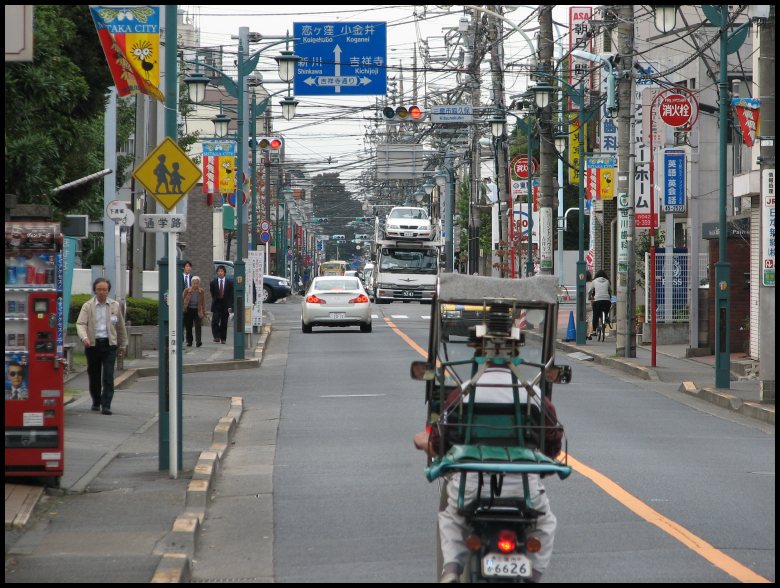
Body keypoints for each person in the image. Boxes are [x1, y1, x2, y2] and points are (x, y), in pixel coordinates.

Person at [414, 363, 558, 583]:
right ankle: (533, 576)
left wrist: (423, 441)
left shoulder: (461, 393)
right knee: (545, 523)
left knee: (451, 518)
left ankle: (451, 570)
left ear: (482, 357)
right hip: (523, 490)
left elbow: (440, 444)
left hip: (471, 487)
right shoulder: (535, 395)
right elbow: (552, 447)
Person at [76, 278, 127, 415]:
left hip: (109, 345)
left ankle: (106, 405)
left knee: (108, 376)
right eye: (99, 289)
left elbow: (120, 326)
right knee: (94, 375)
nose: (101, 292)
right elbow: (80, 324)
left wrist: (123, 345)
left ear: (108, 291)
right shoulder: (88, 306)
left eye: (104, 289)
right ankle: (96, 401)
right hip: (93, 344)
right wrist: (84, 337)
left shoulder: (115, 305)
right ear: (95, 290)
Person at [209, 265, 233, 344]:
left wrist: (230, 306)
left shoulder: (229, 283)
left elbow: (231, 295)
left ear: (224, 272)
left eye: (222, 271)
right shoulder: (213, 282)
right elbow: (212, 293)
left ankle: (223, 338)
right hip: (217, 303)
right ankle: (216, 336)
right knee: (215, 321)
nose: (220, 273)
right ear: (217, 273)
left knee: (224, 322)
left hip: (225, 304)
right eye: (219, 271)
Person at [183, 276, 206, 347]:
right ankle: (189, 341)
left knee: (198, 326)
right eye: (194, 283)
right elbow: (183, 299)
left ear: (199, 284)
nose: (195, 285)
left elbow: (203, 302)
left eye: (197, 283)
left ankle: (198, 341)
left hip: (197, 310)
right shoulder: (187, 290)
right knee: (188, 326)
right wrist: (183, 308)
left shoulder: (201, 291)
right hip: (188, 310)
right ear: (191, 283)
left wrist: (203, 312)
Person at [588, 269, 612, 338]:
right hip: (606, 300)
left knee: (595, 315)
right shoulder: (607, 281)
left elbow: (590, 291)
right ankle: (606, 317)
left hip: (597, 300)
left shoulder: (594, 281)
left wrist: (590, 297)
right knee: (606, 310)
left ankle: (594, 331)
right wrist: (609, 296)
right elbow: (610, 290)